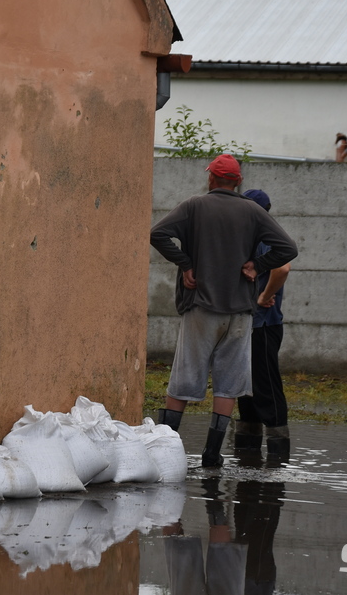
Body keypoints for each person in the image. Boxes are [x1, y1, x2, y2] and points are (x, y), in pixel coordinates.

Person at [150, 154, 298, 467]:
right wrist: (256, 266)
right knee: (229, 384)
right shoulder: (253, 211)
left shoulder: (194, 206)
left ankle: (164, 452)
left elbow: (158, 234)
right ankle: (212, 455)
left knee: (185, 377)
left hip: (202, 305)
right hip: (242, 314)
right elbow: (287, 249)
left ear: (212, 179)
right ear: (238, 181)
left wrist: (187, 264)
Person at [235, 189, 292, 461]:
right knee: (246, 387)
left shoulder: (265, 235)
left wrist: (264, 296)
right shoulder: (250, 236)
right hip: (249, 324)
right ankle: (247, 450)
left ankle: (278, 453)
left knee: (266, 385)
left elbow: (283, 268)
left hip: (264, 326)